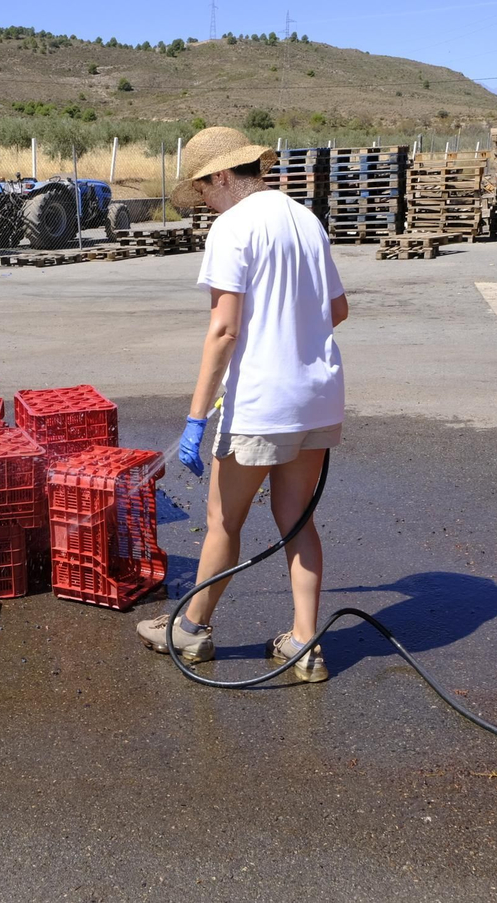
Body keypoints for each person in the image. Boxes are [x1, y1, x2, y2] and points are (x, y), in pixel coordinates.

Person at [135, 127, 349, 682]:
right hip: (317, 397)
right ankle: (305, 645)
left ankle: (191, 630)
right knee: (297, 521)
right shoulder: (306, 219)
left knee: (222, 521)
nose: (204, 201)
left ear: (224, 176)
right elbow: (338, 310)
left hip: (261, 403)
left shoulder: (233, 227)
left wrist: (195, 417)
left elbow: (224, 330)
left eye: (203, 189)